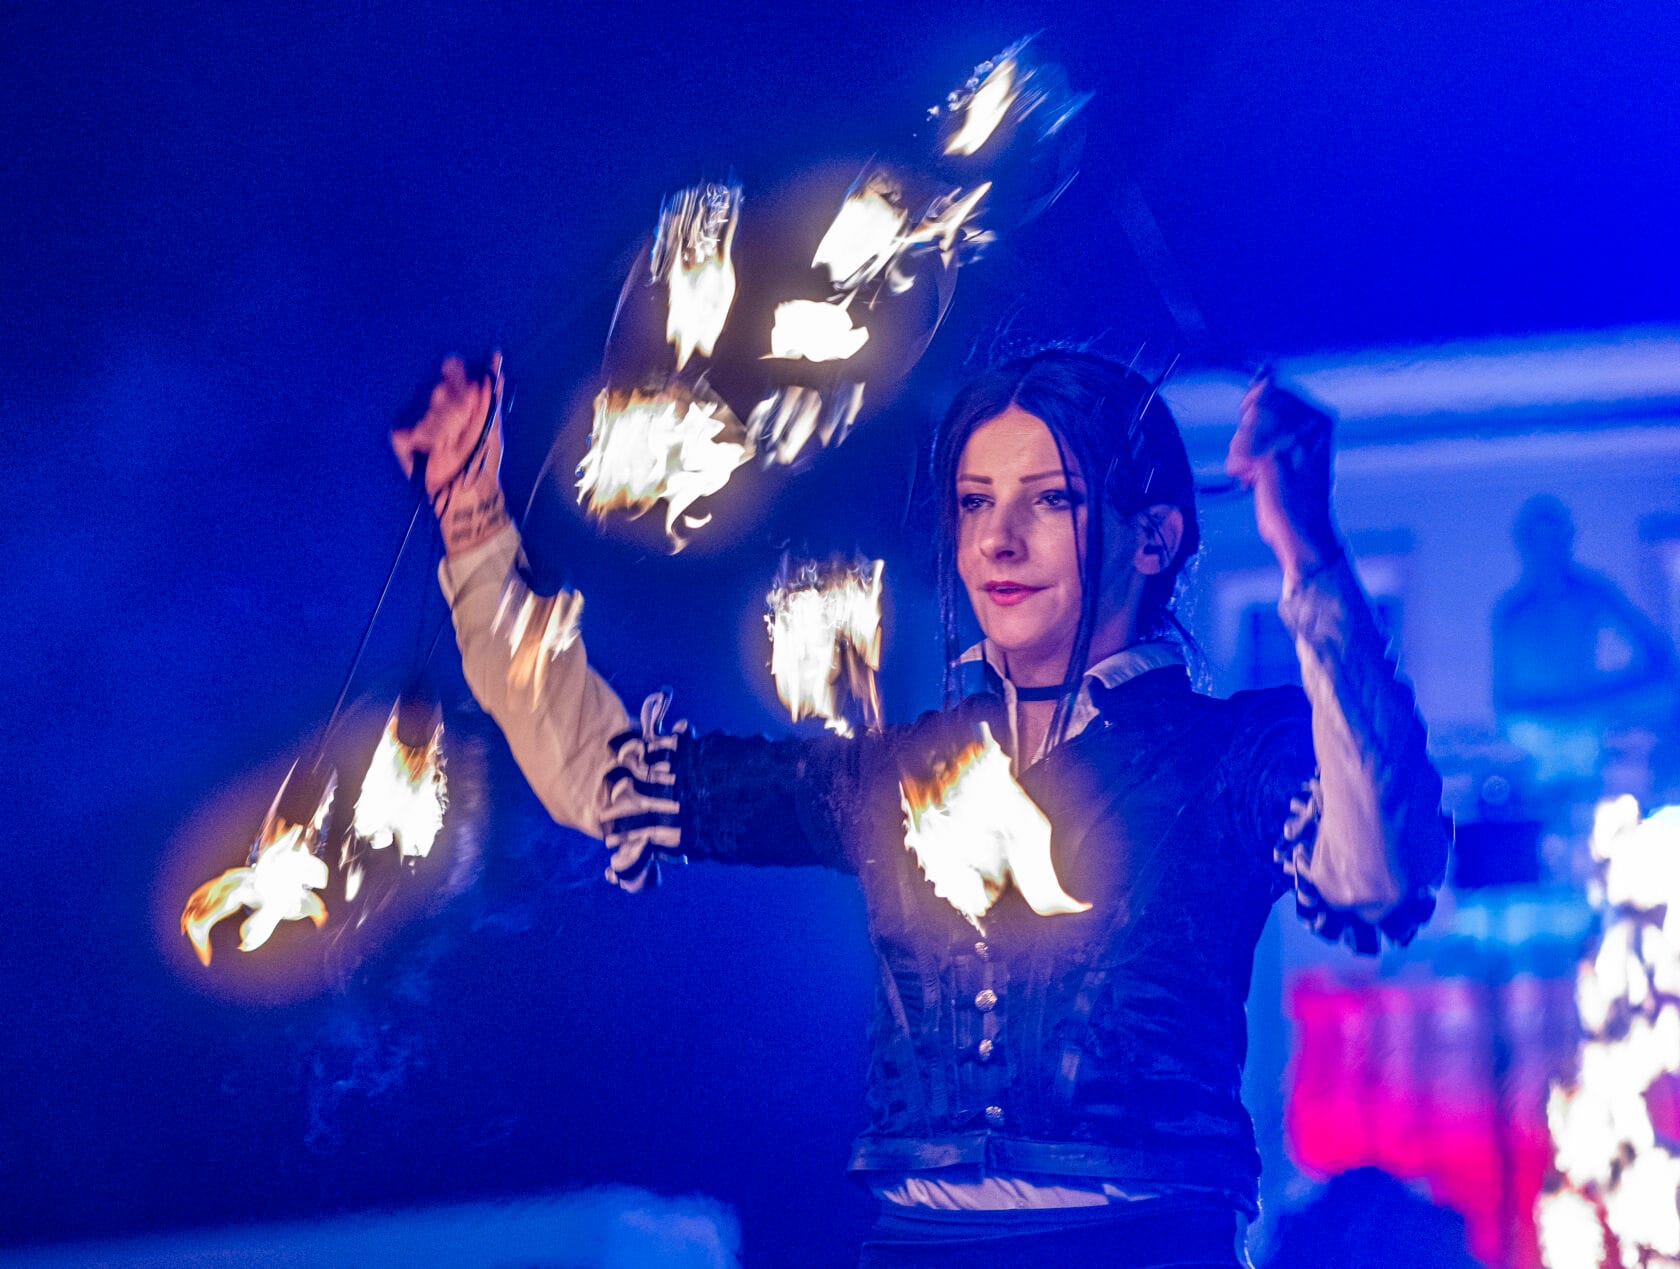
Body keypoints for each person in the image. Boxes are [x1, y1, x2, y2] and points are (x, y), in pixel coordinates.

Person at [392, 349, 1450, 1267]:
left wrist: (1311, 552)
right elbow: (603, 777)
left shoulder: (1228, 756)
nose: (999, 540)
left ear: (1154, 536)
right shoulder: (896, 774)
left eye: (1052, 500)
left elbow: (1380, 871)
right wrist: (472, 522)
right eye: (976, 502)